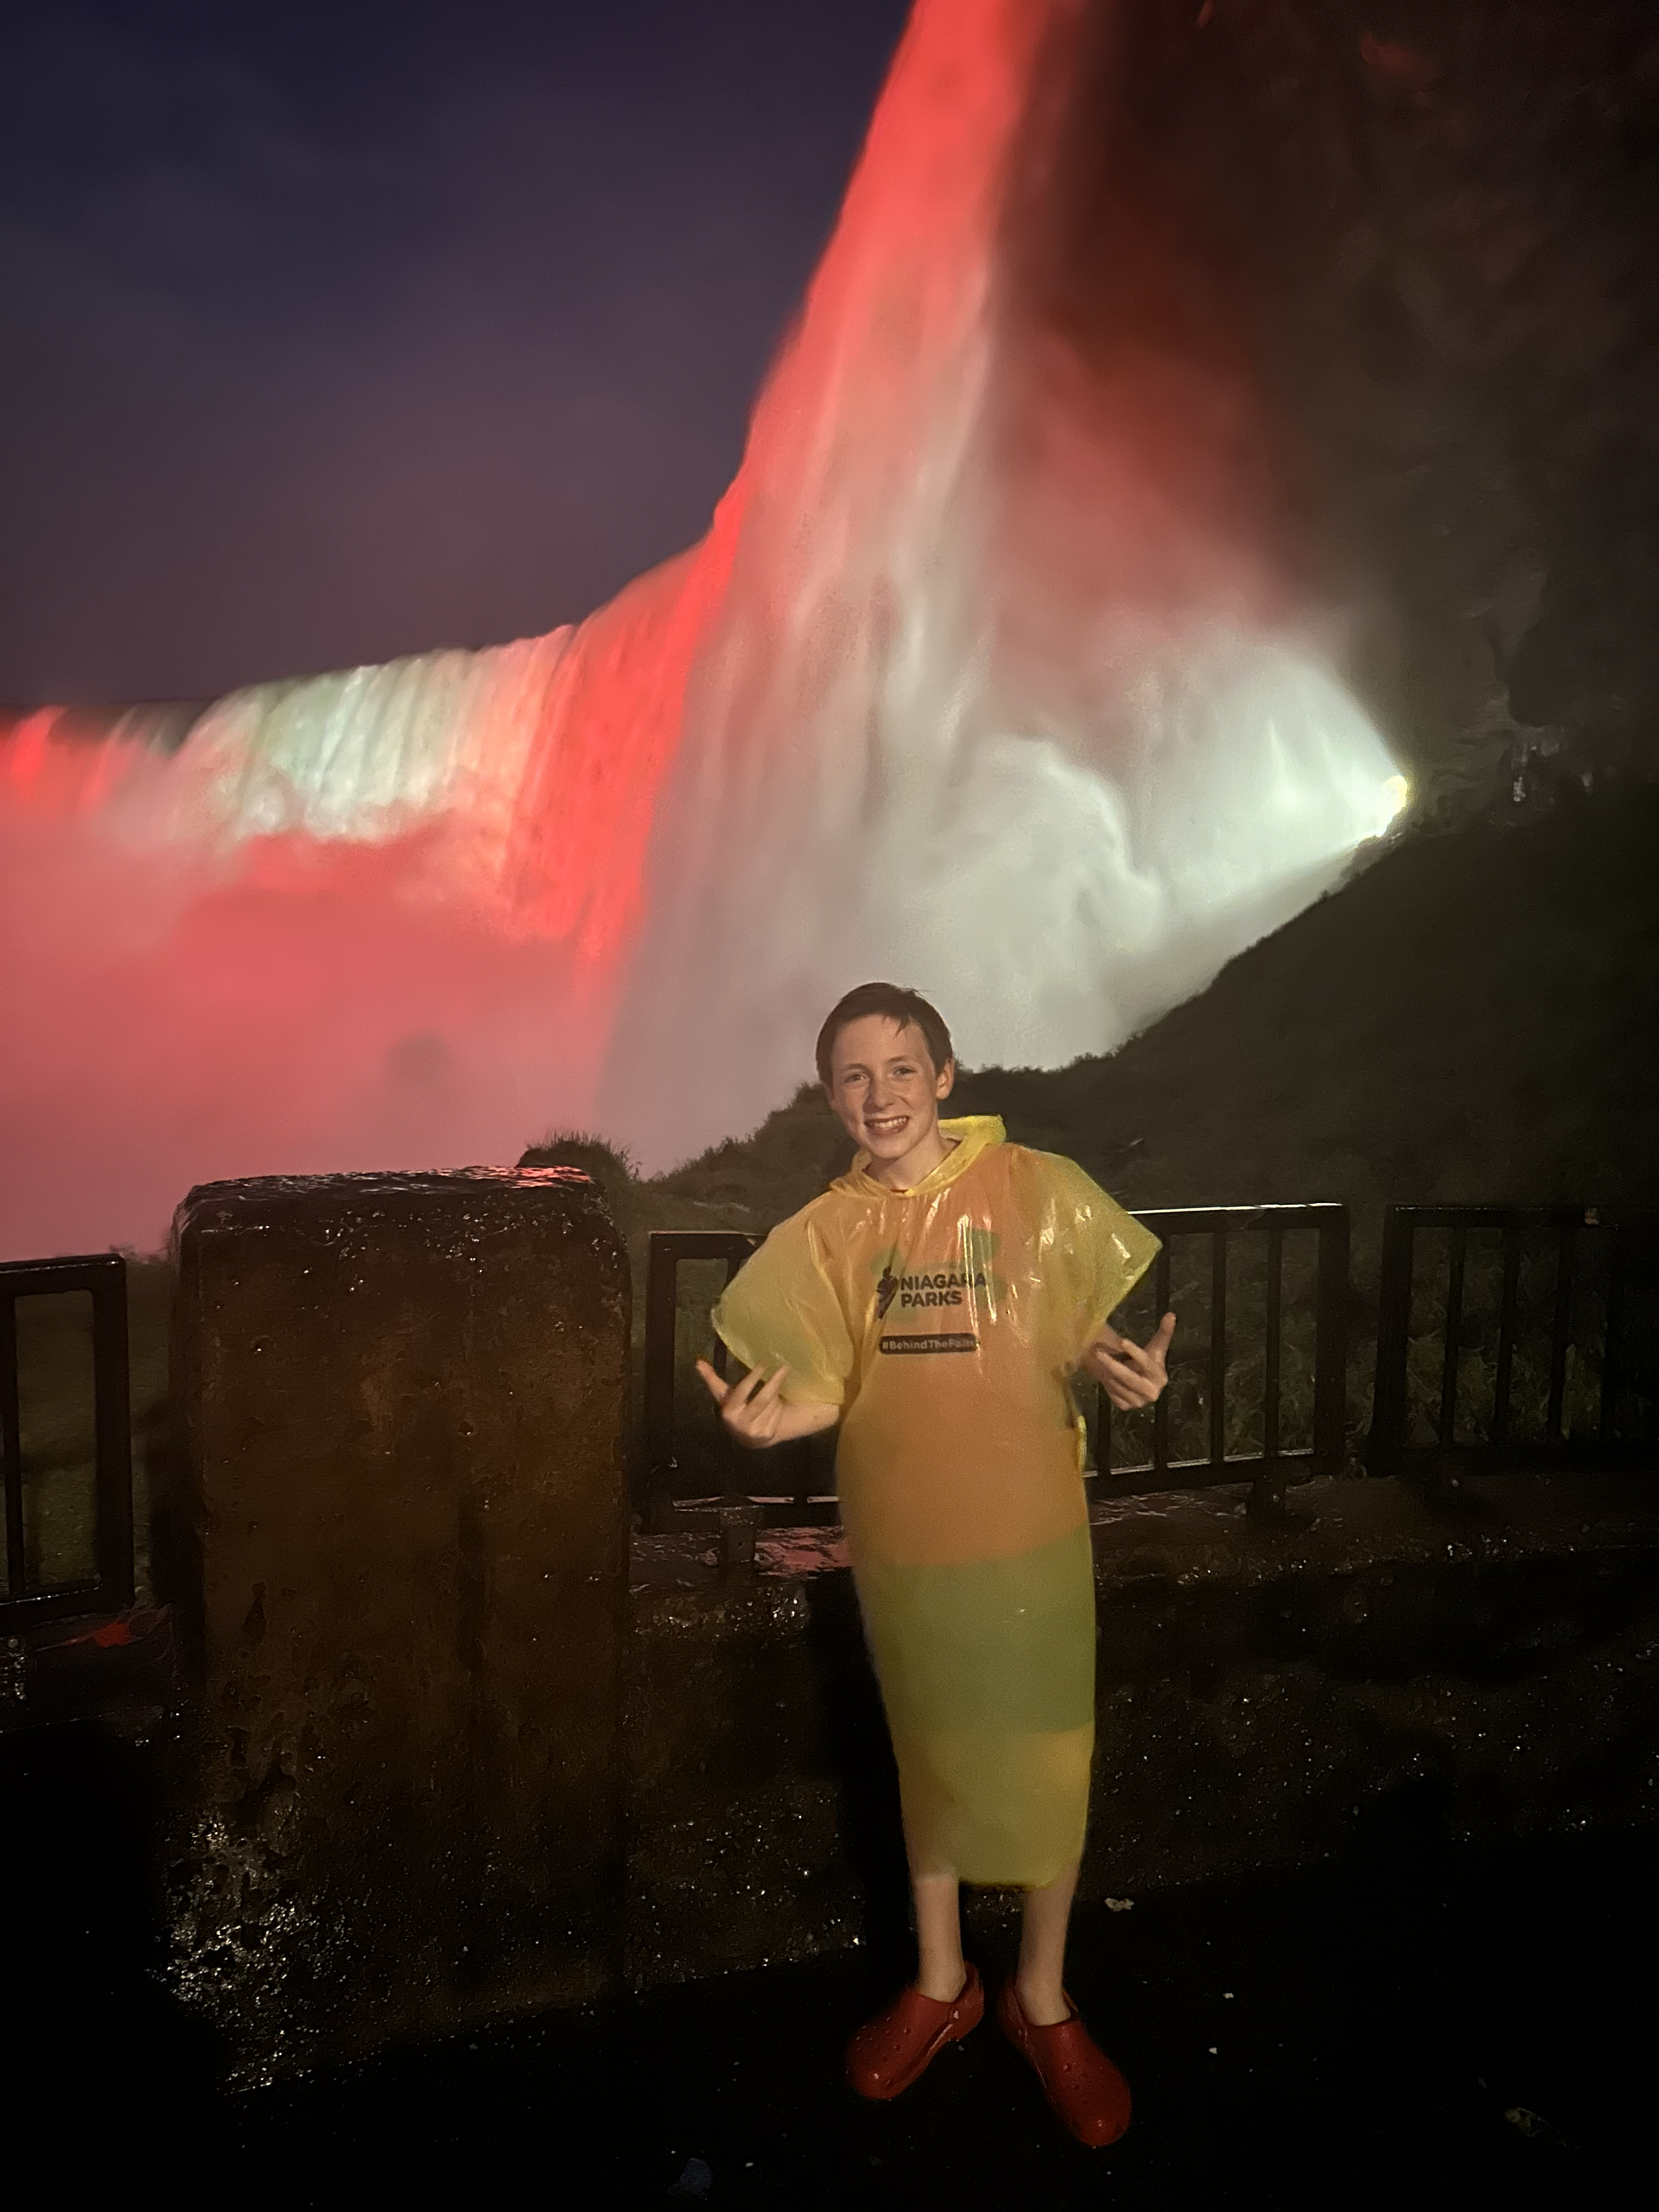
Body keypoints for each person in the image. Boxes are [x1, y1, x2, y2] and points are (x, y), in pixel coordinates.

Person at [696, 981, 1174, 2149]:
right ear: (830, 1097)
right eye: (854, 1076)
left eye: (901, 1069)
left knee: (1051, 1756)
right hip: (907, 1542)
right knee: (932, 1754)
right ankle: (944, 1981)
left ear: (946, 1078)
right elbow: (831, 1383)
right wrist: (771, 1423)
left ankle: (1043, 1997)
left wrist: (1129, 1376)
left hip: (1032, 1530)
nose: (881, 1096)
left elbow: (1074, 1330)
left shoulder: (1032, 1192)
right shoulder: (829, 1234)